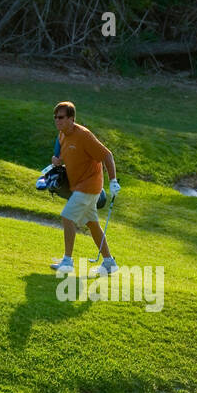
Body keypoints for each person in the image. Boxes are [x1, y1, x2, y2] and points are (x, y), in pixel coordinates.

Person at [48, 101, 120, 276]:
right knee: (92, 224)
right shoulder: (62, 134)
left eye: (61, 118)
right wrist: (58, 161)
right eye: (55, 117)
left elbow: (107, 155)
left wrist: (113, 181)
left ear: (72, 119)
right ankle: (109, 262)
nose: (58, 121)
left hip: (90, 185)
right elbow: (69, 154)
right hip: (78, 185)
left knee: (67, 217)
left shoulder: (84, 135)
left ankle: (67, 262)